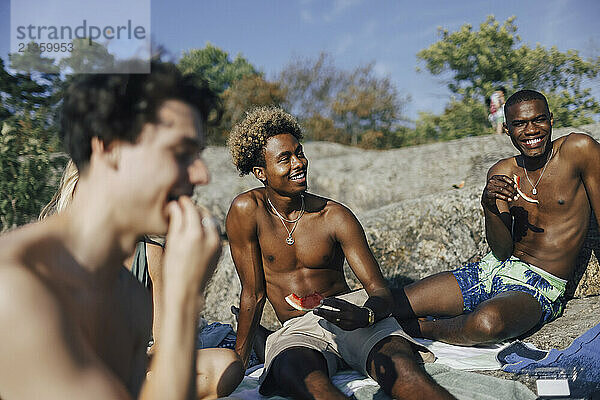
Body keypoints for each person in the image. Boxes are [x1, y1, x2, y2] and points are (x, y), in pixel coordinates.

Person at [0, 61, 227, 399]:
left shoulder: (131, 299)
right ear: (107, 146)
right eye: (181, 153)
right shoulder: (18, 284)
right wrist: (183, 300)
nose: (201, 176)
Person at [226, 107, 454, 400]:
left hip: (352, 312)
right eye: (285, 158)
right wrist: (237, 364)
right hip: (297, 331)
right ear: (260, 173)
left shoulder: (334, 216)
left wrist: (367, 315)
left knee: (406, 375)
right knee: (306, 384)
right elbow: (253, 294)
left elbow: (379, 289)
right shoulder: (247, 211)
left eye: (300, 152)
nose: (299, 163)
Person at [394, 90, 600, 346]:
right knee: (393, 303)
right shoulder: (502, 171)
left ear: (551, 120)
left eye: (539, 120)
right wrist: (489, 205)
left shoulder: (578, 149)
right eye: (519, 124)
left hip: (538, 286)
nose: (531, 130)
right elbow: (502, 251)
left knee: (485, 324)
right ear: (506, 129)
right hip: (488, 271)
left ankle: (423, 329)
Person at [39, 160, 244, 399]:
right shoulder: (55, 250)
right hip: (73, 370)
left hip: (131, 365)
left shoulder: (148, 252)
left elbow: (163, 343)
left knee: (226, 365)